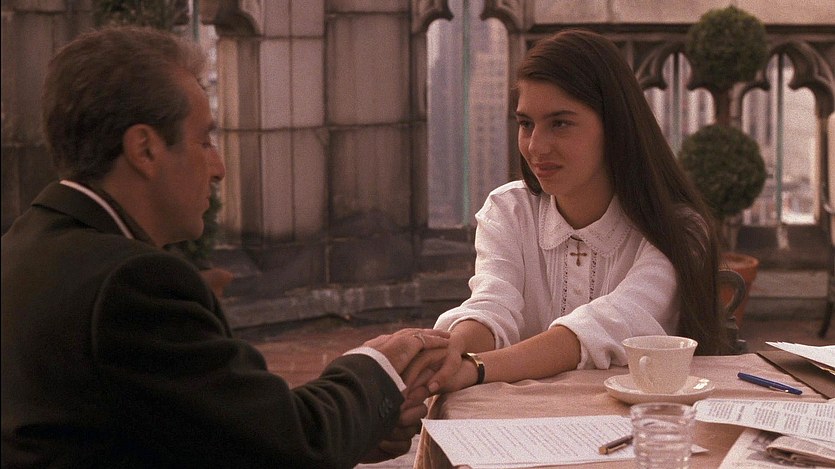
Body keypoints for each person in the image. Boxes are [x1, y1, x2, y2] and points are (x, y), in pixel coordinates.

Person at [1, 26, 449, 468]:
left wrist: (353, 431)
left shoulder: (23, 248)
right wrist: (377, 368)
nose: (218, 168)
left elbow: (198, 435)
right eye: (204, 141)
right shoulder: (131, 283)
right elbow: (286, 448)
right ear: (145, 149)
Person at [413, 29, 729, 392]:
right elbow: (493, 305)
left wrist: (476, 369)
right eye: (526, 124)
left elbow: (611, 325)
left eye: (560, 124)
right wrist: (451, 351)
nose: (536, 146)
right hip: (522, 421)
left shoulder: (679, 231)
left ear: (615, 126)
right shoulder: (509, 211)